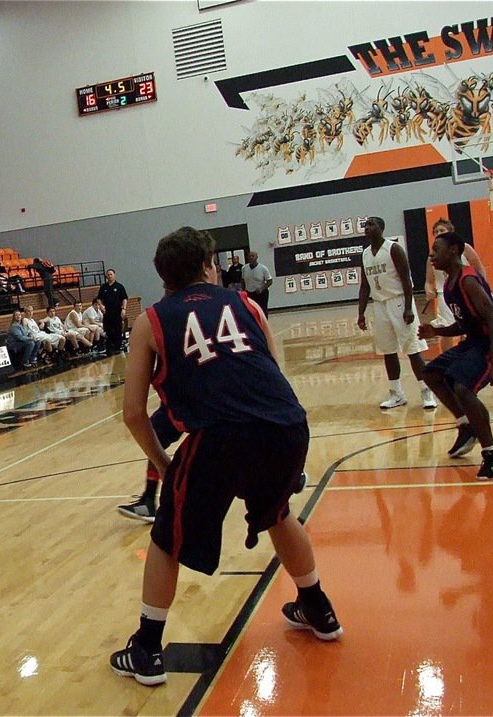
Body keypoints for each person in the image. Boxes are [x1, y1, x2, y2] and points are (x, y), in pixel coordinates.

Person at [109, 227, 341, 687]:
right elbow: (274, 370)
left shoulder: (150, 321)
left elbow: (134, 413)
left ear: (163, 277)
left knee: (166, 538)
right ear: (208, 265)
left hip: (222, 436)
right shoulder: (247, 303)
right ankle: (319, 609)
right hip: (288, 426)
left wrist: (163, 464)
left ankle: (148, 649)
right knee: (276, 513)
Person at [418, 231, 493, 480]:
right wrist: (435, 330)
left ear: (453, 251)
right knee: (431, 373)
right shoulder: (449, 285)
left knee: (463, 387)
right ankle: (466, 426)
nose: (431, 254)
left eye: (436, 248)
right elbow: (464, 324)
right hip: (474, 340)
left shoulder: (468, 280)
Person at [357, 216, 436, 410]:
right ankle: (396, 393)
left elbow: (406, 280)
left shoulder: (393, 249)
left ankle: (426, 391)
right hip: (379, 305)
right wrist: (361, 313)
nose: (367, 227)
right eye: (366, 225)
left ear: (381, 228)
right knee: (388, 351)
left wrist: (409, 307)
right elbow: (364, 285)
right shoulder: (365, 254)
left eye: (371, 224)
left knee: (412, 349)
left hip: (399, 301)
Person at [423, 219, 487, 350]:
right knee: (446, 327)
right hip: (443, 294)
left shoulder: (465, 248)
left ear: (450, 232)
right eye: (436, 231)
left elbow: (478, 267)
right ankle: (446, 355)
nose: (438, 233)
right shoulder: (431, 257)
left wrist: (483, 285)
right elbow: (429, 281)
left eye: (442, 230)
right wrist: (429, 290)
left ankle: (469, 349)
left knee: (467, 323)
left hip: (464, 290)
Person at [96, 269, 128, 356]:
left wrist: (124, 309)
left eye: (111, 274)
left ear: (114, 275)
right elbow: (98, 298)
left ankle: (118, 347)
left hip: (117, 311)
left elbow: (124, 298)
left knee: (117, 329)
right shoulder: (104, 287)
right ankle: (110, 347)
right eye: (108, 275)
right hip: (107, 312)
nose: (109, 276)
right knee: (108, 330)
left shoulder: (119, 286)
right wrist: (101, 306)